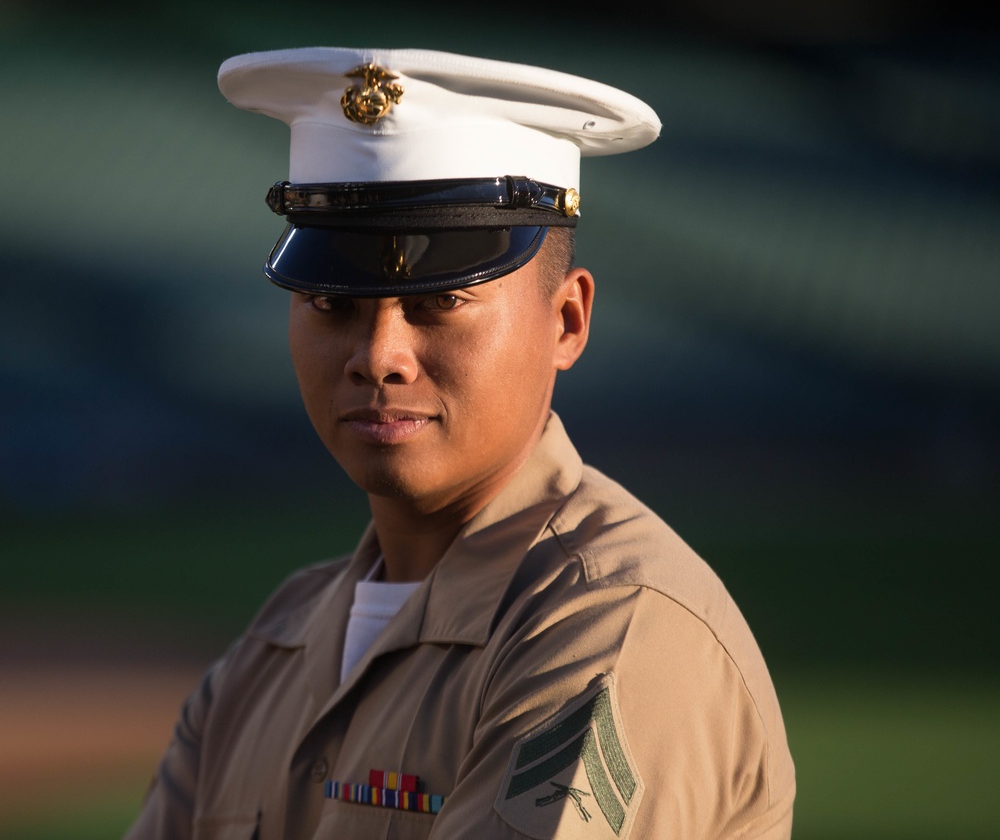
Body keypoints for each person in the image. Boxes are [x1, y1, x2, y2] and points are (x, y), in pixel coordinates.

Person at [125, 46, 795, 840]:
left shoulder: (612, 627)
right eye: (332, 301)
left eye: (440, 299)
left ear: (567, 321)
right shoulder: (276, 644)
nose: (378, 355)